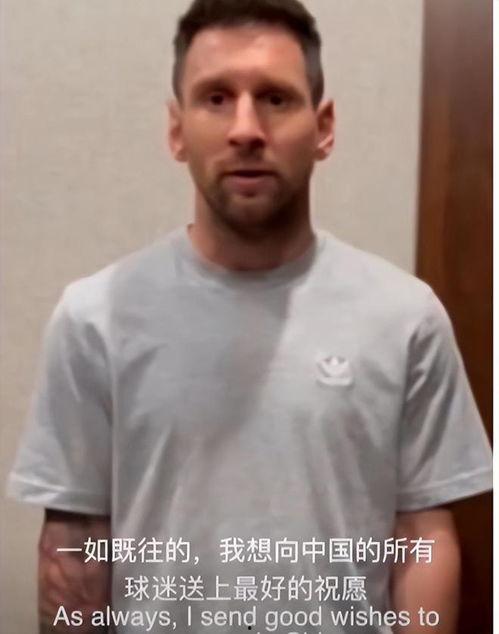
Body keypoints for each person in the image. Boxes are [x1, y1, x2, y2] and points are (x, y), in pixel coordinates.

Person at [6, 0, 492, 632]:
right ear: (177, 130)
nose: (245, 129)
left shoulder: (405, 317)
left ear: (324, 127)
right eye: (216, 98)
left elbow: (422, 533)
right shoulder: (94, 317)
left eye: (275, 98)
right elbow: (74, 544)